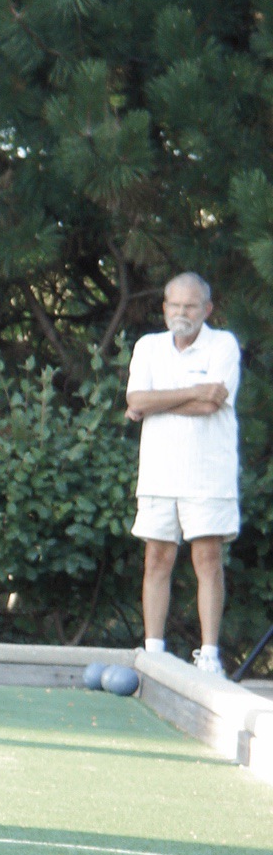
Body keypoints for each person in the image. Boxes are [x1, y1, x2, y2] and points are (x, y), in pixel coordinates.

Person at [126, 273, 241, 675]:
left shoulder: (223, 344)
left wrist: (153, 404)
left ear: (206, 309)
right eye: (174, 305)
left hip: (208, 474)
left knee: (208, 559)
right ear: (164, 308)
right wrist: (192, 392)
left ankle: (209, 656)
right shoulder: (148, 347)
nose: (181, 313)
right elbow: (135, 398)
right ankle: (153, 654)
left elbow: (213, 406)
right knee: (157, 558)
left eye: (190, 306)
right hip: (159, 472)